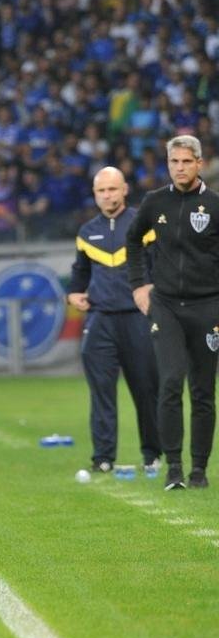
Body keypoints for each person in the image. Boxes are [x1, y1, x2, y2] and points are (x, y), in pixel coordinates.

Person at [127, 135, 219, 490]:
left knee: (202, 391)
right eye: (173, 162)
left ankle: (199, 469)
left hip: (207, 306)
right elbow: (133, 242)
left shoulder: (214, 205)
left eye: (186, 162)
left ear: (199, 163)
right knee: (169, 382)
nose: (179, 168)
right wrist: (138, 285)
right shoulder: (154, 202)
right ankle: (174, 468)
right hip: (165, 305)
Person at [67, 167, 160, 475]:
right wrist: (74, 294)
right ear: (95, 195)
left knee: (147, 389)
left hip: (138, 318)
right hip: (100, 319)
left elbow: (159, 265)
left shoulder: (142, 225)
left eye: (112, 189)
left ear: (125, 190)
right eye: (101, 191)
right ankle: (103, 458)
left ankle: (153, 454)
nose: (107, 195)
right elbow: (80, 271)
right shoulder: (86, 232)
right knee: (101, 391)